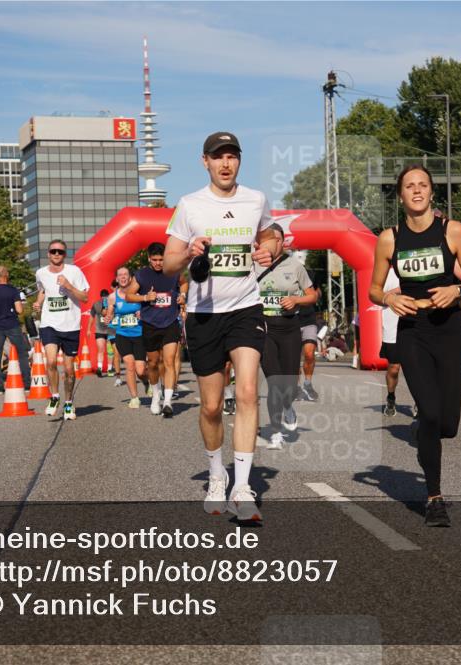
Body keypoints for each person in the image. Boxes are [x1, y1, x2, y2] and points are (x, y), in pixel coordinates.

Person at [163, 130, 278, 522]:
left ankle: (242, 486)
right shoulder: (189, 205)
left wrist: (270, 247)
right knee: (211, 406)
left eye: (232, 157)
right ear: (205, 162)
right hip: (204, 313)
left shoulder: (255, 199)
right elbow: (168, 263)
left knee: (247, 392)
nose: (225, 164)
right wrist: (190, 251)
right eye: (218, 157)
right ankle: (217, 474)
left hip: (246, 308)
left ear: (239, 162)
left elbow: (270, 231)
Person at [369, 165, 461, 527]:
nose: (416, 191)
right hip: (413, 330)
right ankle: (434, 498)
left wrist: (457, 289)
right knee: (430, 412)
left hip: (448, 329)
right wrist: (388, 298)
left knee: (447, 425)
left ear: (432, 192)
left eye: (422, 185)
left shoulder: (453, 231)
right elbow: (373, 288)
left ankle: (424, 432)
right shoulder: (390, 238)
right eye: (409, 186)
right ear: (400, 195)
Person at [255, 223, 318, 449]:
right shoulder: (253, 264)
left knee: (289, 384)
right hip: (264, 329)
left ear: (283, 242)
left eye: (277, 239)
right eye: (268, 240)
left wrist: (296, 300)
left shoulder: (295, 266)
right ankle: (275, 431)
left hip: (290, 328)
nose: (274, 243)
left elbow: (312, 295)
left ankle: (288, 406)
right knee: (274, 381)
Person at [128, 242, 188, 418]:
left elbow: (184, 284)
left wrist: (182, 296)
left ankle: (168, 402)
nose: (158, 263)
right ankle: (156, 395)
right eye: (154, 260)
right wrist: (146, 297)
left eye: (161, 260)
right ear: (149, 259)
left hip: (170, 322)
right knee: (153, 363)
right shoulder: (142, 275)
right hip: (150, 324)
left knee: (169, 361)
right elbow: (129, 295)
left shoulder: (173, 271)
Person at [32, 239, 89, 420]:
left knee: (69, 369)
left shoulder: (74, 272)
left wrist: (69, 286)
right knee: (50, 362)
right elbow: (42, 290)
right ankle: (55, 396)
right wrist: (38, 303)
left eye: (60, 252)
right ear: (48, 254)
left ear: (65, 255)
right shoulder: (40, 273)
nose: (57, 254)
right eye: (53, 251)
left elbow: (85, 297)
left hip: (71, 325)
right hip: (49, 323)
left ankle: (69, 402)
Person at [104, 267, 147, 408]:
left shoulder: (139, 293)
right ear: (117, 279)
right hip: (122, 335)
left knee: (140, 370)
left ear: (130, 278)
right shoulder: (112, 297)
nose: (123, 277)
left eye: (125, 275)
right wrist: (108, 318)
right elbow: (109, 313)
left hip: (139, 334)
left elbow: (148, 309)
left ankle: (146, 382)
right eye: (120, 275)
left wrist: (142, 313)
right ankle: (134, 398)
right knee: (129, 365)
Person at [0, 266, 30, 394]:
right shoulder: (13, 290)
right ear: (7, 275)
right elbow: (20, 310)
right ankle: (26, 384)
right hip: (12, 325)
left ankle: (0, 387)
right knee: (22, 354)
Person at [380, 268, 402, 416]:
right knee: (394, 368)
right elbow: (374, 294)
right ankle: (391, 397)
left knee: (419, 368)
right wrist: (398, 290)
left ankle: (420, 403)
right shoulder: (382, 271)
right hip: (392, 327)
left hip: (416, 325)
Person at [296, 275, 321, 401]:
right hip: (291, 321)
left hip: (308, 320)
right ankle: (296, 387)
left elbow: (317, 292)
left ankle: (308, 384)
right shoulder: (280, 272)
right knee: (293, 359)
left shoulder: (309, 273)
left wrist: (315, 296)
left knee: (309, 354)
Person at [87, 289, 113, 377]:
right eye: (103, 297)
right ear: (101, 297)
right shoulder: (96, 304)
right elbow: (91, 317)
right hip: (100, 330)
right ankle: (100, 368)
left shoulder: (112, 304)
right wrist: (88, 329)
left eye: (106, 297)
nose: (105, 298)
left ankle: (109, 369)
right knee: (101, 349)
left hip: (110, 330)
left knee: (110, 350)